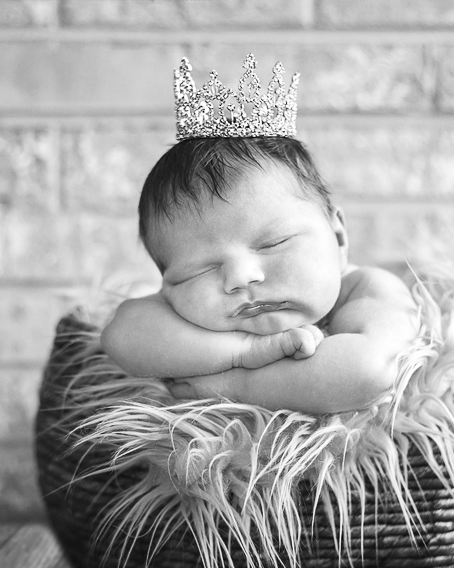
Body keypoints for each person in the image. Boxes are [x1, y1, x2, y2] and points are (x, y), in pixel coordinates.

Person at [100, 58, 419, 415]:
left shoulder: (366, 290)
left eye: (274, 243)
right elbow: (120, 335)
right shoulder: (189, 314)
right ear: (168, 284)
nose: (240, 277)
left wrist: (234, 385)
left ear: (339, 238)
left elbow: (368, 370)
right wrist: (242, 352)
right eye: (198, 270)